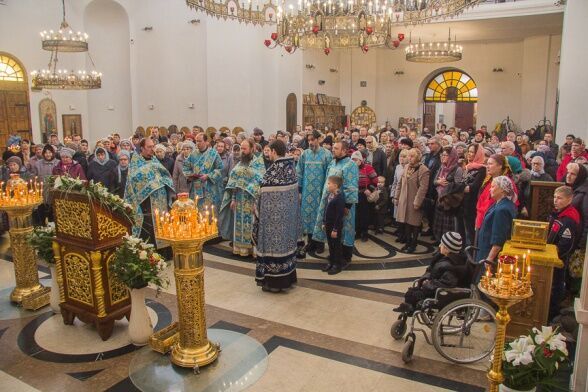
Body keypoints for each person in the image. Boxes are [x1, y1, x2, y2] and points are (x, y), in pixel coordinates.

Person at [254, 140, 300, 292]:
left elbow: (261, 192)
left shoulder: (273, 171)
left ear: (273, 151)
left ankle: (275, 284)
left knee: (273, 250)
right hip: (288, 222)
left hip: (272, 223)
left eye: (269, 151)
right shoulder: (291, 167)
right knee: (286, 249)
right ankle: (288, 279)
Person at [393, 232, 465, 314]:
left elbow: (447, 283)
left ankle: (410, 310)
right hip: (433, 286)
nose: (439, 246)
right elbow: (432, 270)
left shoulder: (451, 266)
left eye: (441, 244)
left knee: (412, 295)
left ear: (447, 249)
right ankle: (408, 308)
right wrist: (426, 279)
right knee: (411, 292)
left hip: (437, 292)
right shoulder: (444, 258)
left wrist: (428, 284)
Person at [312, 141, 359, 267]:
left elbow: (352, 186)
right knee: (332, 227)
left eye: (336, 148)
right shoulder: (333, 162)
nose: (333, 150)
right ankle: (335, 254)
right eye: (333, 148)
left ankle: (345, 256)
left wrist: (347, 205)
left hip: (342, 204)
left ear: (344, 150)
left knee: (344, 228)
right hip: (330, 201)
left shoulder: (350, 165)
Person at [125, 138, 174, 249]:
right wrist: (151, 185)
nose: (153, 149)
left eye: (153, 146)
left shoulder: (155, 160)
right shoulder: (136, 164)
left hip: (161, 200)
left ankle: (165, 251)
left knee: (162, 223)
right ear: (142, 148)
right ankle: (151, 253)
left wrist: (165, 183)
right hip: (146, 203)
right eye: (150, 147)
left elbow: (165, 175)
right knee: (150, 227)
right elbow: (133, 182)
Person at [219, 139, 265, 257]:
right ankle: (241, 249)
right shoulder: (239, 163)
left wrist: (256, 203)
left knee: (252, 225)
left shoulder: (258, 163)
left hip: (251, 200)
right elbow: (234, 181)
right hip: (239, 199)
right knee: (239, 224)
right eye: (241, 148)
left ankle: (253, 250)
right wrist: (233, 198)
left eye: (244, 148)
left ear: (252, 148)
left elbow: (260, 182)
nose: (242, 151)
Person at [547, 186, 580, 320]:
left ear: (569, 199)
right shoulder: (558, 214)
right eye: (555, 197)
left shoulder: (569, 218)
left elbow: (566, 244)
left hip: (559, 260)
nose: (556, 200)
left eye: (560, 198)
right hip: (551, 256)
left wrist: (553, 256)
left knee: (556, 286)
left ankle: (552, 314)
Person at [297, 130, 332, 254]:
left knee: (320, 217)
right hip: (307, 193)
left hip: (321, 192)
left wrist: (327, 191)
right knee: (307, 217)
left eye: (313, 139)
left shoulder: (327, 155)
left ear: (319, 140)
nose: (310, 142)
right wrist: (299, 191)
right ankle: (310, 242)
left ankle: (320, 243)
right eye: (309, 140)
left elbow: (330, 174)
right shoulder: (305, 154)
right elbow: (299, 172)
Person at [395, 148, 430, 253]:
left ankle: (413, 243)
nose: (409, 158)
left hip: (414, 200)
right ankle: (408, 242)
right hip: (404, 199)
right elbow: (400, 183)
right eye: (408, 156)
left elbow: (423, 188)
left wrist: (417, 202)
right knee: (406, 222)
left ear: (418, 157)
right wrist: (396, 197)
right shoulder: (406, 167)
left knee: (414, 223)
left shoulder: (423, 169)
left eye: (412, 156)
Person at [476, 176, 518, 263]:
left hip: (489, 255)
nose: (489, 190)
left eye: (493, 186)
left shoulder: (502, 210)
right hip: (484, 250)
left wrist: (489, 259)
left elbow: (498, 239)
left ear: (502, 189)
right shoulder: (499, 204)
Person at [182, 132, 224, 213]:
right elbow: (185, 167)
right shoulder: (192, 154)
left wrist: (208, 176)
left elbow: (220, 169)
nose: (197, 143)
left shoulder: (214, 154)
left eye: (200, 141)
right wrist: (190, 175)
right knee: (197, 212)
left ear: (206, 142)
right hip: (196, 188)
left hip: (210, 189)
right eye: (196, 141)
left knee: (209, 213)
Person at [433, 147, 462, 243]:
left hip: (449, 201)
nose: (443, 157)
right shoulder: (442, 167)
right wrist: (439, 182)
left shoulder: (458, 169)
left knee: (447, 227)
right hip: (440, 198)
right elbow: (434, 181)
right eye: (442, 155)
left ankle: (446, 245)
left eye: (445, 155)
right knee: (439, 224)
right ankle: (439, 243)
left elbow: (458, 186)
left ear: (452, 156)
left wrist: (447, 184)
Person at [459, 144, 486, 246]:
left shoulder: (482, 169)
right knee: (461, 231)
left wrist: (459, 188)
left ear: (478, 154)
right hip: (463, 202)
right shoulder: (468, 167)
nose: (469, 154)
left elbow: (473, 188)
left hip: (472, 204)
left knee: (470, 231)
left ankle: (471, 255)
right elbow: (462, 184)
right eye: (468, 152)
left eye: (472, 152)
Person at [321, 175, 346, 275]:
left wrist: (335, 229)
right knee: (330, 245)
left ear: (335, 185)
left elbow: (339, 215)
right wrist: (323, 222)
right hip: (328, 224)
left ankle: (337, 265)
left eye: (329, 184)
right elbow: (325, 210)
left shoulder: (340, 198)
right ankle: (331, 262)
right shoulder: (329, 195)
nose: (327, 185)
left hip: (335, 226)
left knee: (336, 245)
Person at [353, 150, 378, 242]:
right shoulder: (351, 168)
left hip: (364, 195)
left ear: (360, 160)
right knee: (356, 215)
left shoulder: (368, 168)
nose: (354, 162)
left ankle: (364, 233)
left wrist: (370, 189)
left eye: (356, 160)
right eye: (353, 160)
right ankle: (358, 232)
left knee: (364, 215)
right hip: (354, 194)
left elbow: (376, 181)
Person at [566, 163, 588, 250]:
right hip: (570, 234)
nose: (568, 176)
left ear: (580, 176)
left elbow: (587, 220)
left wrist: (581, 245)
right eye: (568, 172)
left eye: (573, 174)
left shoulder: (585, 192)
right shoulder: (572, 188)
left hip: (577, 238)